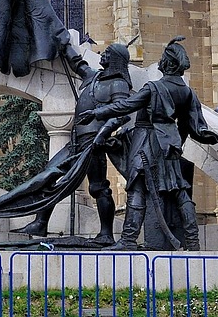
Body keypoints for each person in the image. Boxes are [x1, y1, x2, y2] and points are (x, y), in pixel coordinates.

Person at [76, 37, 218, 251]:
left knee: (137, 190)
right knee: (179, 190)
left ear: (168, 64)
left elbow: (125, 105)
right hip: (170, 144)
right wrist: (199, 137)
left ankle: (127, 240)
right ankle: (193, 241)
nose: (160, 62)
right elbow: (194, 126)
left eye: (163, 59)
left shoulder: (153, 87)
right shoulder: (188, 92)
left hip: (146, 142)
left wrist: (96, 112)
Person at [10, 41, 134, 242]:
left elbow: (120, 113)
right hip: (76, 141)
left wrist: (102, 134)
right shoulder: (94, 77)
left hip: (95, 141)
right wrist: (62, 41)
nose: (103, 54)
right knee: (48, 175)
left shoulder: (118, 84)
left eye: (108, 53)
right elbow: (78, 63)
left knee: (98, 187)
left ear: (116, 59)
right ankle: (41, 223)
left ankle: (106, 234)